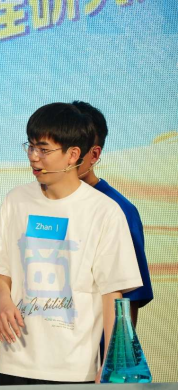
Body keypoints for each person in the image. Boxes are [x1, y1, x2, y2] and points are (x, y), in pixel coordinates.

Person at [0, 103, 143, 385]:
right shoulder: (16, 200)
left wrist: (109, 366)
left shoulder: (104, 211)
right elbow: (1, 268)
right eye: (31, 147)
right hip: (15, 362)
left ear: (73, 154)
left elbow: (112, 294)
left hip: (74, 369)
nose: (34, 157)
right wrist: (3, 300)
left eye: (44, 150)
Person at [72, 100, 153, 327]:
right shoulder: (40, 202)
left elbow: (129, 297)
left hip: (94, 345)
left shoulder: (120, 210)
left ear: (94, 154)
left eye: (73, 149)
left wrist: (116, 350)